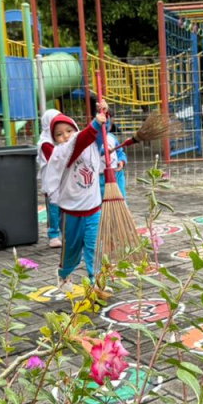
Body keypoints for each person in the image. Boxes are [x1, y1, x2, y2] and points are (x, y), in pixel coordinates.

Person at [42, 100, 109, 292]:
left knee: (94, 249)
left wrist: (105, 112)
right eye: (59, 134)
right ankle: (64, 275)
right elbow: (79, 142)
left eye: (69, 131)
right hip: (71, 213)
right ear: (54, 139)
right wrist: (95, 123)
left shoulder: (90, 145)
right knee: (71, 251)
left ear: (76, 129)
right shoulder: (62, 152)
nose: (65, 136)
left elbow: (100, 132)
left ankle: (97, 282)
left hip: (93, 210)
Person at [36, 109, 63, 249]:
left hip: (63, 179)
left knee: (65, 207)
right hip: (52, 181)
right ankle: (53, 235)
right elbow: (56, 159)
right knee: (53, 208)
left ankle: (65, 233)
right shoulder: (46, 142)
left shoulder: (60, 138)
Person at [96, 118, 127, 199]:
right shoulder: (92, 141)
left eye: (108, 124)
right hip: (99, 176)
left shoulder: (112, 137)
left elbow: (120, 152)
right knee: (102, 200)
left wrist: (122, 160)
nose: (105, 127)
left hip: (116, 173)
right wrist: (103, 151)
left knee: (120, 197)